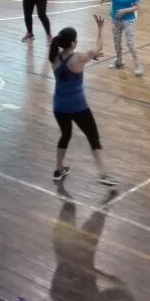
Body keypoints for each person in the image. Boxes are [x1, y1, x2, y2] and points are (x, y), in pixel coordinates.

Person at [49, 15, 117, 186]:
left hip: (59, 107)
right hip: (78, 107)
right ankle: (104, 174)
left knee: (65, 135)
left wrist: (89, 58)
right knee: (93, 138)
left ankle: (58, 170)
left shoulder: (54, 58)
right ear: (73, 43)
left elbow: (70, 63)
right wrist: (100, 29)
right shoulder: (79, 58)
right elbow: (98, 46)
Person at [100, 0, 143, 76]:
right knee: (117, 41)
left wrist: (124, 11)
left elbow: (138, 7)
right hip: (115, 18)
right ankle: (119, 61)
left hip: (128, 19)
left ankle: (137, 64)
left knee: (130, 42)